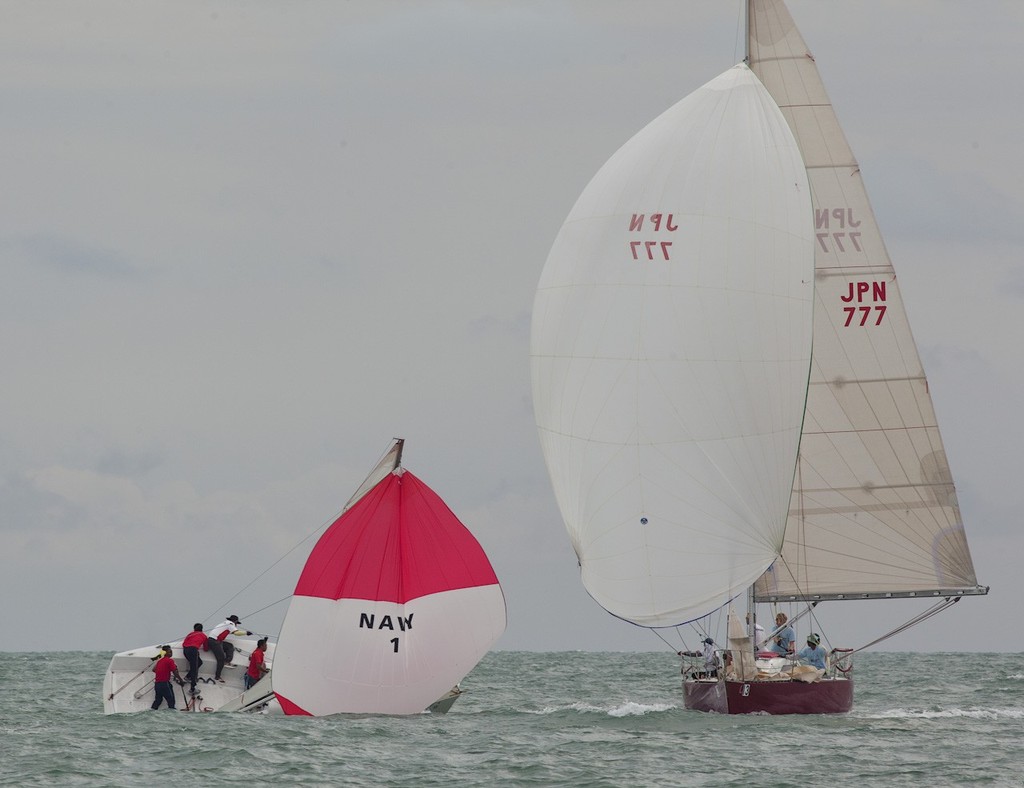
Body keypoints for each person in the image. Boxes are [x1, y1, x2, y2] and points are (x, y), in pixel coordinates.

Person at [207, 615, 252, 682]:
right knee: (221, 659)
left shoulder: (225, 623)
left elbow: (230, 632)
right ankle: (217, 676)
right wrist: (246, 633)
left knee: (230, 646)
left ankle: (227, 661)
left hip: (214, 640)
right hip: (215, 641)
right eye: (237, 623)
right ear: (235, 622)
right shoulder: (230, 624)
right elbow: (236, 633)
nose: (236, 625)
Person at [151, 645, 183, 710]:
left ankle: (152, 711)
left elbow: (154, 669)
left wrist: (163, 671)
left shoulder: (159, 661)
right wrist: (181, 680)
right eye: (170, 652)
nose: (171, 653)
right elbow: (175, 672)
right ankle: (172, 716)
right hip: (164, 684)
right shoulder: (170, 661)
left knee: (158, 700)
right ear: (165, 653)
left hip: (157, 684)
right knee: (171, 701)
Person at [181, 623, 206, 689]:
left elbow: (184, 643)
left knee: (199, 663)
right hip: (193, 650)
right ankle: (193, 687)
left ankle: (187, 677)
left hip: (185, 650)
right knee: (194, 668)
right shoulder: (204, 636)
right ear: (202, 629)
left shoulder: (190, 634)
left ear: (194, 629)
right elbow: (206, 648)